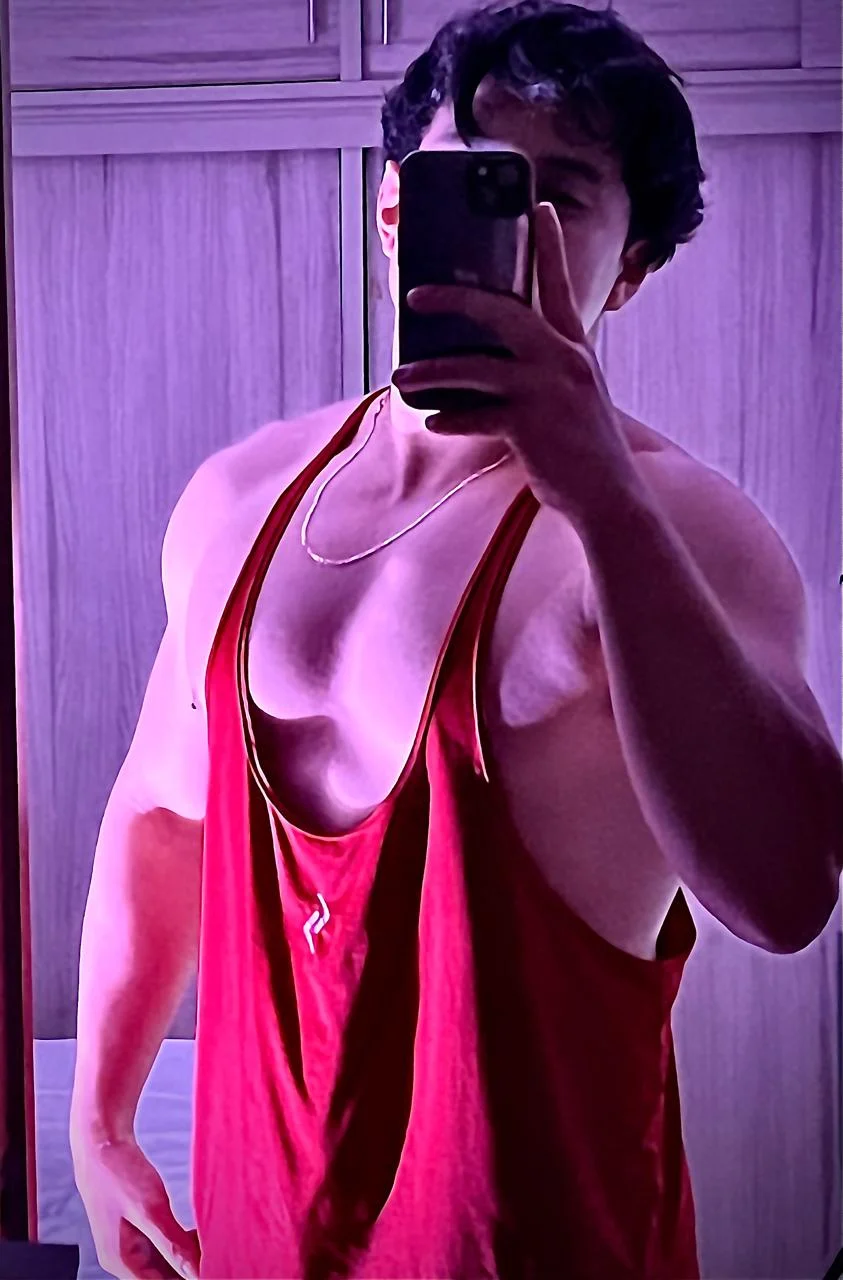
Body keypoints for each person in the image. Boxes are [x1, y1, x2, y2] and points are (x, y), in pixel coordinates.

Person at [69, 2, 843, 1278]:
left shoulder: (686, 529)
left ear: (629, 268)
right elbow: (163, 811)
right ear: (393, 212)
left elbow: (787, 890)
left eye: (560, 200)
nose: (511, 231)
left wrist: (603, 501)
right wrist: (101, 1115)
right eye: (470, 185)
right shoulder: (239, 499)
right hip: (258, 1238)